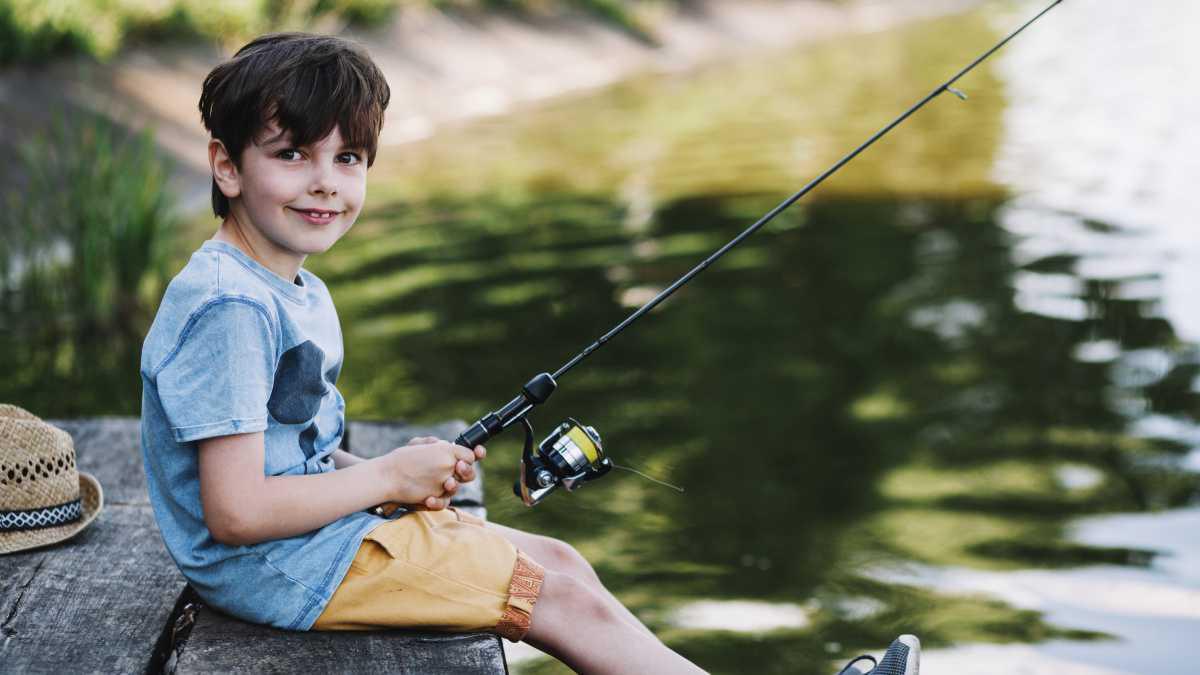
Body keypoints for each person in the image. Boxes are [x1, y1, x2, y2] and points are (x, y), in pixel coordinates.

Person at [138, 32, 917, 675]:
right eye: (292, 155)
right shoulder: (232, 306)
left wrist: (388, 476)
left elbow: (290, 456)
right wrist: (383, 477)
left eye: (348, 160)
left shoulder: (283, 282)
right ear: (226, 165)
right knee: (559, 600)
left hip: (306, 545)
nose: (325, 184)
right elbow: (236, 510)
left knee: (564, 563)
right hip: (275, 570)